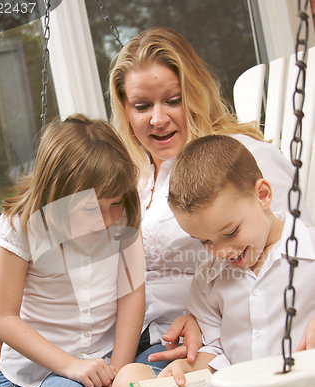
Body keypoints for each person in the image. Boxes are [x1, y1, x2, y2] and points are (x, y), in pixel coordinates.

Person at [112, 134, 315, 387]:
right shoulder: (210, 278)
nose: (221, 252)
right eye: (204, 242)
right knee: (128, 379)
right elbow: (214, 348)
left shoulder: (311, 252)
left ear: (263, 194)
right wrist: (189, 371)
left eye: (230, 232)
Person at [108, 26, 313, 363]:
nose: (158, 119)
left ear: (195, 92)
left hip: (184, 344)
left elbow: (292, 254)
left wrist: (204, 321)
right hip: (119, 335)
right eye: (142, 106)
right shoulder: (128, 176)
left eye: (173, 100)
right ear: (126, 110)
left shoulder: (242, 158)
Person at [0, 114, 160, 387]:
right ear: (55, 197)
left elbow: (131, 294)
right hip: (22, 377)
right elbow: (1, 317)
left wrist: (117, 367)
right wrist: (68, 363)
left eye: (114, 204)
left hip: (89, 366)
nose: (107, 218)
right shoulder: (20, 226)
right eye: (90, 210)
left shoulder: (124, 219)